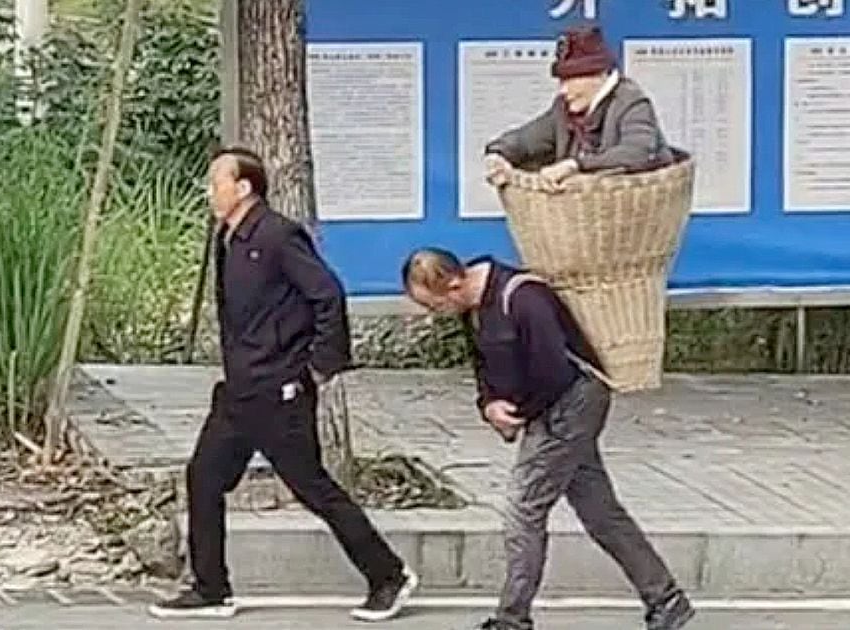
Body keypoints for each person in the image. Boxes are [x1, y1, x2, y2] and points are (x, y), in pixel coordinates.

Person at [149, 146, 418, 621]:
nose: (210, 191)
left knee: (312, 487)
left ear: (244, 188)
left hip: (278, 391)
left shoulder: (277, 235)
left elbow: (327, 293)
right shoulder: (228, 236)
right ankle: (211, 588)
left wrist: (320, 364)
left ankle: (388, 575)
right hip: (238, 390)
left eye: (217, 182)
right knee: (204, 477)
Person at [400, 248, 695, 630]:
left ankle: (512, 619)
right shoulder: (473, 308)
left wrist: (518, 415)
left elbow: (552, 370)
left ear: (453, 285)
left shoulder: (524, 297)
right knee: (599, 510)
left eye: (434, 305)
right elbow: (484, 364)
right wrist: (488, 403)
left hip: (571, 401)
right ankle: (666, 599)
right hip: (550, 406)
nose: (434, 314)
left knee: (524, 506)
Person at [483, 23, 672, 192]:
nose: (563, 90)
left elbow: (637, 151)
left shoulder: (631, 103)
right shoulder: (564, 109)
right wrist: (498, 154)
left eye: (571, 80)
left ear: (598, 76)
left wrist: (576, 165)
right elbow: (527, 138)